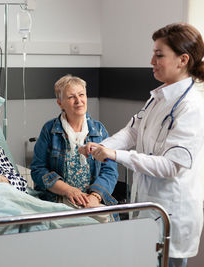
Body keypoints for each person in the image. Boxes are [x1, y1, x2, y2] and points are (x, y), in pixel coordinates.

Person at [79, 23, 204, 267]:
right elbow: (133, 131)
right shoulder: (159, 96)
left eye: (159, 55)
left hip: (173, 211)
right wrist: (99, 146)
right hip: (150, 205)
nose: (151, 60)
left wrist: (115, 155)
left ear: (182, 59)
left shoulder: (192, 106)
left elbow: (171, 167)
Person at [30, 75, 118, 211]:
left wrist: (95, 197)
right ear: (60, 103)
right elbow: (38, 170)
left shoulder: (99, 130)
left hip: (91, 201)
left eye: (81, 95)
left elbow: (110, 171)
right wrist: (68, 190)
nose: (79, 101)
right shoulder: (49, 130)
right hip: (57, 200)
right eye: (71, 97)